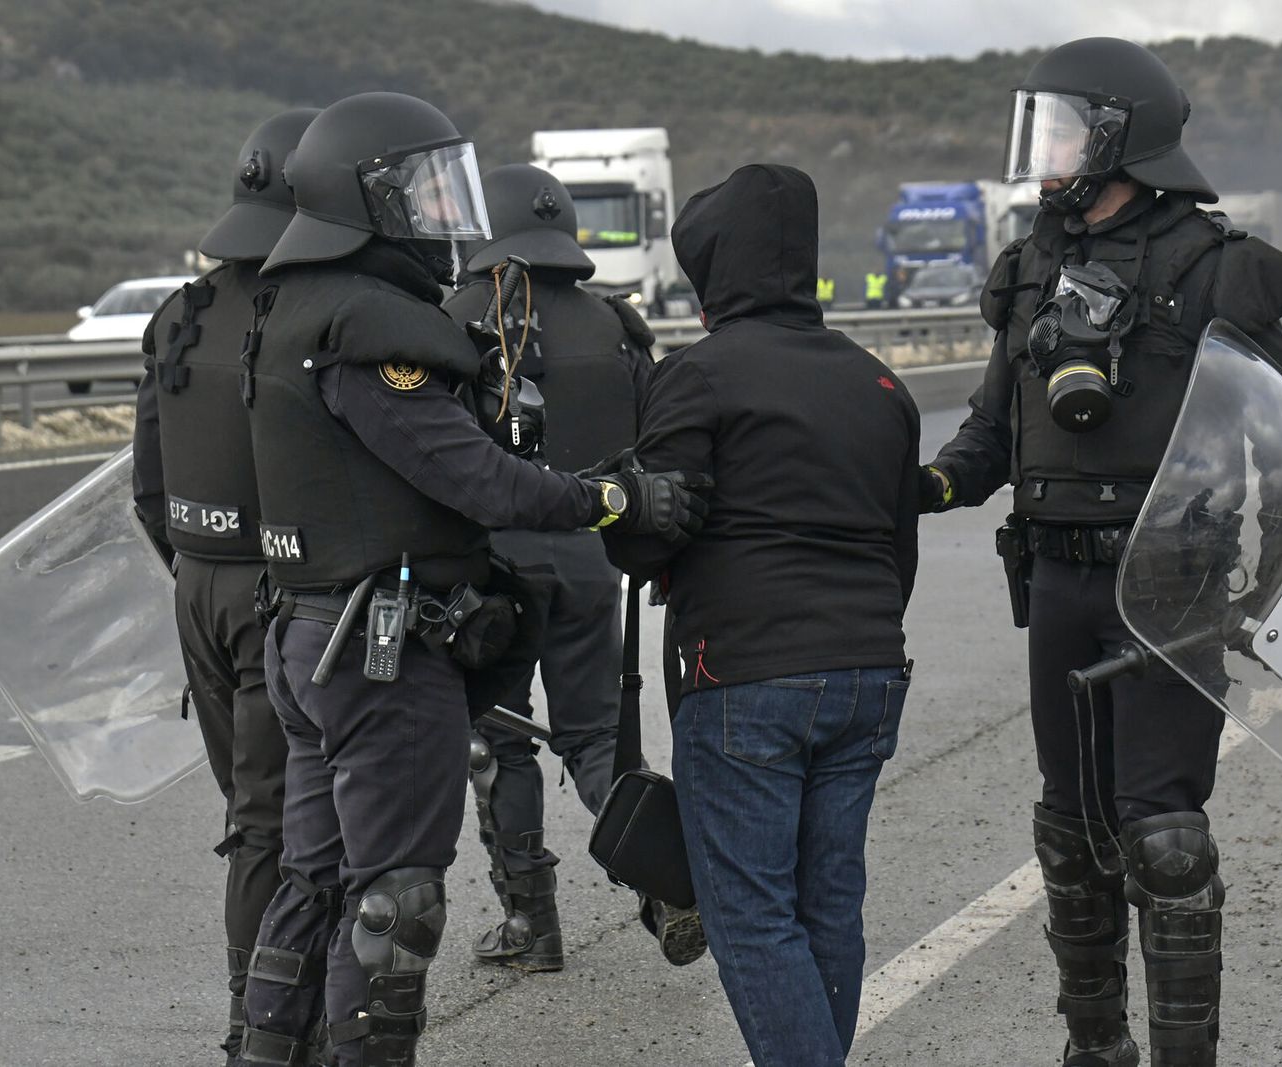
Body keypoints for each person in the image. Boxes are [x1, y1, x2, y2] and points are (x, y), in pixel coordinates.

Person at [233, 92, 707, 1067]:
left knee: (314, 878)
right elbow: (479, 478)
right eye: (420, 190)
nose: (439, 212)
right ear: (365, 198)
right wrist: (612, 499)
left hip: (313, 631)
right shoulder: (373, 323)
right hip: (382, 646)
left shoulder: (294, 306)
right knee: (395, 899)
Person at [921, 38, 1282, 1067]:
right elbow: (991, 428)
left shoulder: (1215, 267)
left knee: (1164, 837)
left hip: (1171, 581)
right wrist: (928, 484)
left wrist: (1264, 593)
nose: (1042, 152)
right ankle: (1095, 1048)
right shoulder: (1032, 265)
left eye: (1059, 129)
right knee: (1070, 829)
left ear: (1115, 138)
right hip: (1054, 578)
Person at [604, 163, 921, 1067]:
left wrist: (611, 505)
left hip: (743, 674)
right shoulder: (881, 385)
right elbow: (897, 550)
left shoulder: (696, 375)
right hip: (868, 670)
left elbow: (649, 537)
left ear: (713, 271)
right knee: (829, 906)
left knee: (751, 915)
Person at [442, 163, 703, 971]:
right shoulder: (616, 326)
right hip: (593, 559)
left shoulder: (456, 320)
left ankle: (531, 922)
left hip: (491, 568)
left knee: (498, 738)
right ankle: (665, 881)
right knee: (597, 739)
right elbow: (655, 445)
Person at [130, 106, 319, 1065]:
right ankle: (264, 1021)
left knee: (250, 816)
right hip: (278, 590)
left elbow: (146, 486)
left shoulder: (180, 312)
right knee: (274, 825)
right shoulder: (307, 314)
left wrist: (196, 566)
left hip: (196, 586)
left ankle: (261, 1010)